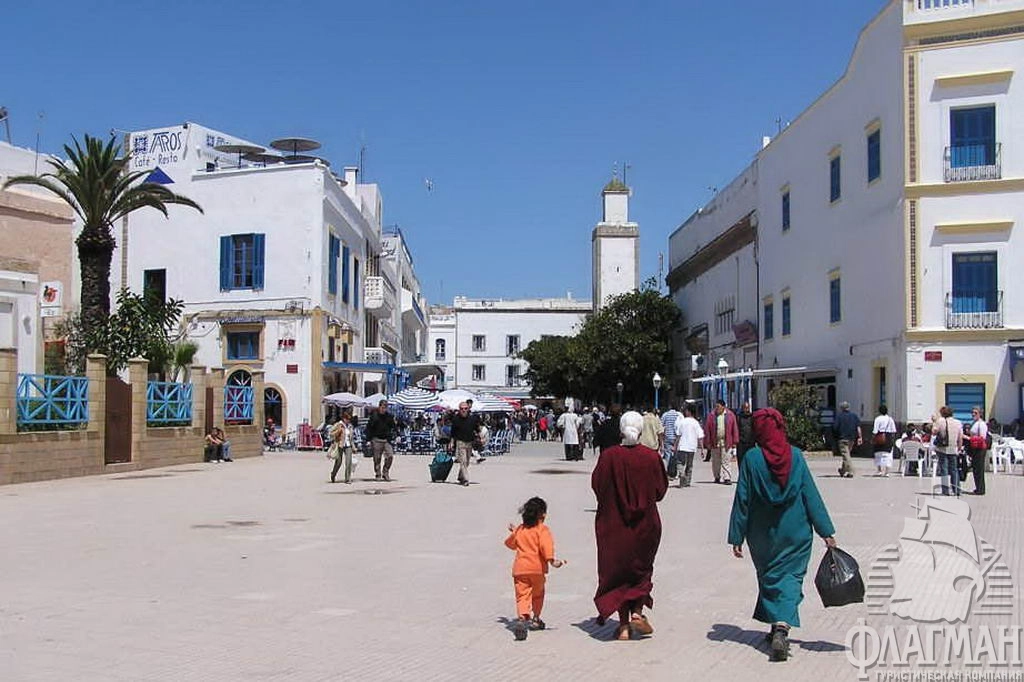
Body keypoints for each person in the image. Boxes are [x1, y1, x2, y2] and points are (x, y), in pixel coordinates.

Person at [728, 408, 837, 662]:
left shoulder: (752, 459)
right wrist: (826, 531)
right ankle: (781, 626)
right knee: (791, 578)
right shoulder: (796, 457)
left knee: (769, 576)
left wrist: (737, 535)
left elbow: (742, 498)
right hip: (796, 531)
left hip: (762, 534)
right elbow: (810, 495)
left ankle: (777, 625)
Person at [591, 411, 669, 640]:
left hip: (613, 526)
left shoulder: (608, 456)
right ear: (642, 430)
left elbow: (597, 486)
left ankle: (623, 625)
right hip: (646, 526)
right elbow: (660, 491)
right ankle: (637, 612)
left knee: (617, 574)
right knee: (641, 571)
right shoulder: (651, 457)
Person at [504, 497, 566, 641]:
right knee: (537, 595)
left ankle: (522, 618)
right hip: (537, 569)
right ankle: (536, 618)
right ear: (543, 515)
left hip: (520, 569)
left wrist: (515, 532)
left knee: (522, 595)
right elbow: (546, 547)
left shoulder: (520, 529)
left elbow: (510, 544)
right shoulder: (543, 530)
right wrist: (552, 560)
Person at [704, 400, 740, 484]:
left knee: (726, 460)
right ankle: (717, 477)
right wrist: (707, 442)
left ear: (723, 407)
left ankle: (727, 478)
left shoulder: (730, 415)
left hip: (726, 442)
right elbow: (707, 429)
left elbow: (734, 428)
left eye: (719, 406)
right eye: (716, 406)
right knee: (716, 461)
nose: (717, 408)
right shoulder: (711, 416)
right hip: (715, 442)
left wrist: (735, 441)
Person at [931, 407, 964, 496]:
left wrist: (934, 421)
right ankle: (957, 489)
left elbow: (933, 432)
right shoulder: (958, 422)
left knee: (944, 469)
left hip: (942, 449)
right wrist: (959, 447)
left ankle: (945, 491)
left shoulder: (940, 422)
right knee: (954, 469)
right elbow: (960, 437)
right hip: (953, 448)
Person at [365, 399, 397, 481]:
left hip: (386, 440)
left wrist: (398, 435)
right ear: (379, 407)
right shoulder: (374, 416)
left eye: (385, 408)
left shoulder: (389, 417)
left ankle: (385, 472)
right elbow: (369, 428)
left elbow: (394, 427)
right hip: (376, 439)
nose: (384, 409)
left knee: (390, 456)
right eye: (382, 407)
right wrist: (368, 440)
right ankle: (378, 474)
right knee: (377, 458)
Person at [673, 404, 704, 488]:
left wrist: (675, 446)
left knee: (680, 462)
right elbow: (700, 437)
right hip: (692, 447)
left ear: (688, 412)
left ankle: (681, 474)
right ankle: (687, 481)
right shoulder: (696, 423)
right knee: (689, 465)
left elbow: (678, 435)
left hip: (682, 446)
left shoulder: (682, 422)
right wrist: (701, 449)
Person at [450, 401, 480, 486]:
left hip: (469, 442)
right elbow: (453, 432)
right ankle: (466, 479)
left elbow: (477, 429)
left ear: (468, 409)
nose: (463, 410)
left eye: (465, 409)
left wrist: (480, 437)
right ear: (459, 410)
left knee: (466, 462)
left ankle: (460, 476)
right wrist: (452, 442)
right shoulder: (456, 419)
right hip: (460, 442)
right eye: (462, 409)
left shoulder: (472, 419)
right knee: (463, 461)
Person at [832, 402, 862, 478]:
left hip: (842, 439)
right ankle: (842, 470)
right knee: (847, 454)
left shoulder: (839, 416)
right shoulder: (854, 416)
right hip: (851, 439)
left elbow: (835, 427)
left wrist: (835, 436)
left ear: (841, 408)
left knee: (846, 455)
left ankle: (851, 471)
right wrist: (860, 437)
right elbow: (858, 427)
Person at [967, 406, 990, 496]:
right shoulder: (974, 423)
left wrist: (969, 438)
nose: (973, 414)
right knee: (976, 469)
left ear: (980, 414)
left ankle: (981, 489)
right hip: (974, 448)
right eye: (972, 412)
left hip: (979, 449)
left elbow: (982, 437)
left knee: (979, 469)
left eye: (975, 413)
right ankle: (978, 487)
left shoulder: (982, 424)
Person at [328, 412, 355, 484]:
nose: (348, 420)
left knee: (348, 462)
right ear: (343, 418)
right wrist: (338, 431)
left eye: (349, 419)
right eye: (347, 419)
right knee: (338, 462)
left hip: (348, 445)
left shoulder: (350, 426)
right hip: (340, 444)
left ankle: (347, 478)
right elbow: (330, 433)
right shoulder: (338, 425)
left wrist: (354, 447)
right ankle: (333, 474)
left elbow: (351, 437)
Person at [871, 405, 897, 477]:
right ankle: (887, 472)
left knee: (878, 454)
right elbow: (893, 431)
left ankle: (879, 470)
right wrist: (892, 440)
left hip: (879, 436)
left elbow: (875, 430)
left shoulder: (877, 419)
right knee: (888, 455)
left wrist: (873, 438)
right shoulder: (890, 419)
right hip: (888, 437)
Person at [660, 403, 682, 478]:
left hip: (668, 437)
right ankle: (675, 472)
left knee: (668, 455)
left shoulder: (665, 415)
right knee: (676, 455)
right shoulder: (679, 415)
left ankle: (669, 472)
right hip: (677, 437)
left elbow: (661, 426)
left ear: (670, 407)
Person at [736, 401, 755, 472]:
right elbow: (737, 429)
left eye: (747, 408)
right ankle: (741, 474)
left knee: (750, 460)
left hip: (750, 442)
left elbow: (755, 428)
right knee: (741, 460)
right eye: (745, 408)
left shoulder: (752, 417)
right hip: (741, 442)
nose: (746, 409)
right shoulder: (738, 417)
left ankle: (750, 475)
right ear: (742, 408)